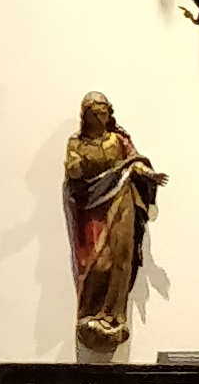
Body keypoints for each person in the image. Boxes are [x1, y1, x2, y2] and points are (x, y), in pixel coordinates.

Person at [63, 88, 162, 355]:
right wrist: (79, 165)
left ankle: (114, 316)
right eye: (95, 113)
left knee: (121, 255)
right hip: (92, 207)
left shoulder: (118, 140)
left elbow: (134, 162)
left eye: (104, 112)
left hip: (122, 199)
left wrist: (147, 174)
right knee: (97, 261)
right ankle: (91, 312)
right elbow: (73, 171)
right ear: (85, 116)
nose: (101, 117)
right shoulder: (77, 143)